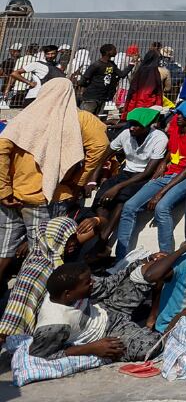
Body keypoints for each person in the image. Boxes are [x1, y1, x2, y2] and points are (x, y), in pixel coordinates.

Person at [0, 77, 109, 281]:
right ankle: (31, 299)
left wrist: (3, 189)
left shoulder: (24, 117)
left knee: (3, 251)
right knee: (44, 256)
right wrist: (78, 180)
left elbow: (1, 149)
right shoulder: (80, 118)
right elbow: (101, 146)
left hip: (12, 196)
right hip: (48, 197)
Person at [30, 244, 186, 362]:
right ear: (68, 294)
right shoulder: (53, 324)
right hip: (106, 333)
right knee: (150, 346)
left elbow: (110, 283)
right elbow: (41, 356)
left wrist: (144, 261)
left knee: (147, 271)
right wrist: (91, 348)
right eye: (87, 283)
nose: (92, 283)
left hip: (107, 309)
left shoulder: (77, 288)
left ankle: (153, 319)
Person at [115, 99, 186, 257]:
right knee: (129, 206)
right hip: (169, 173)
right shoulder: (176, 129)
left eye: (182, 114)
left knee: (162, 207)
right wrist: (163, 164)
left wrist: (160, 193)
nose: (178, 117)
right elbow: (172, 152)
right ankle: (121, 257)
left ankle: (165, 254)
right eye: (178, 113)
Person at [0, 217, 95, 338]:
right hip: (25, 338)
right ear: (54, 240)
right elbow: (14, 314)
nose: (74, 243)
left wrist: (96, 220)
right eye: (69, 239)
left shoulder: (55, 259)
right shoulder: (33, 271)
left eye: (73, 238)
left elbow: (99, 228)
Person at [92, 107, 168, 252]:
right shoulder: (126, 133)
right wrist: (93, 177)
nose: (131, 128)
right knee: (102, 197)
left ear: (147, 126)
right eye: (130, 124)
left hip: (142, 177)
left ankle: (104, 238)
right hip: (126, 172)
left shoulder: (159, 138)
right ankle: (103, 234)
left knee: (122, 199)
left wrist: (118, 187)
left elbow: (147, 172)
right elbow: (106, 154)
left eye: (136, 125)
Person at [77, 44, 121, 115]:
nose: (116, 52)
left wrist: (132, 64)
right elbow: (84, 79)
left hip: (102, 97)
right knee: (85, 117)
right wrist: (90, 86)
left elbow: (121, 74)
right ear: (108, 52)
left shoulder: (111, 65)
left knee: (97, 119)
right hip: (91, 98)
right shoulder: (96, 65)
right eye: (114, 50)